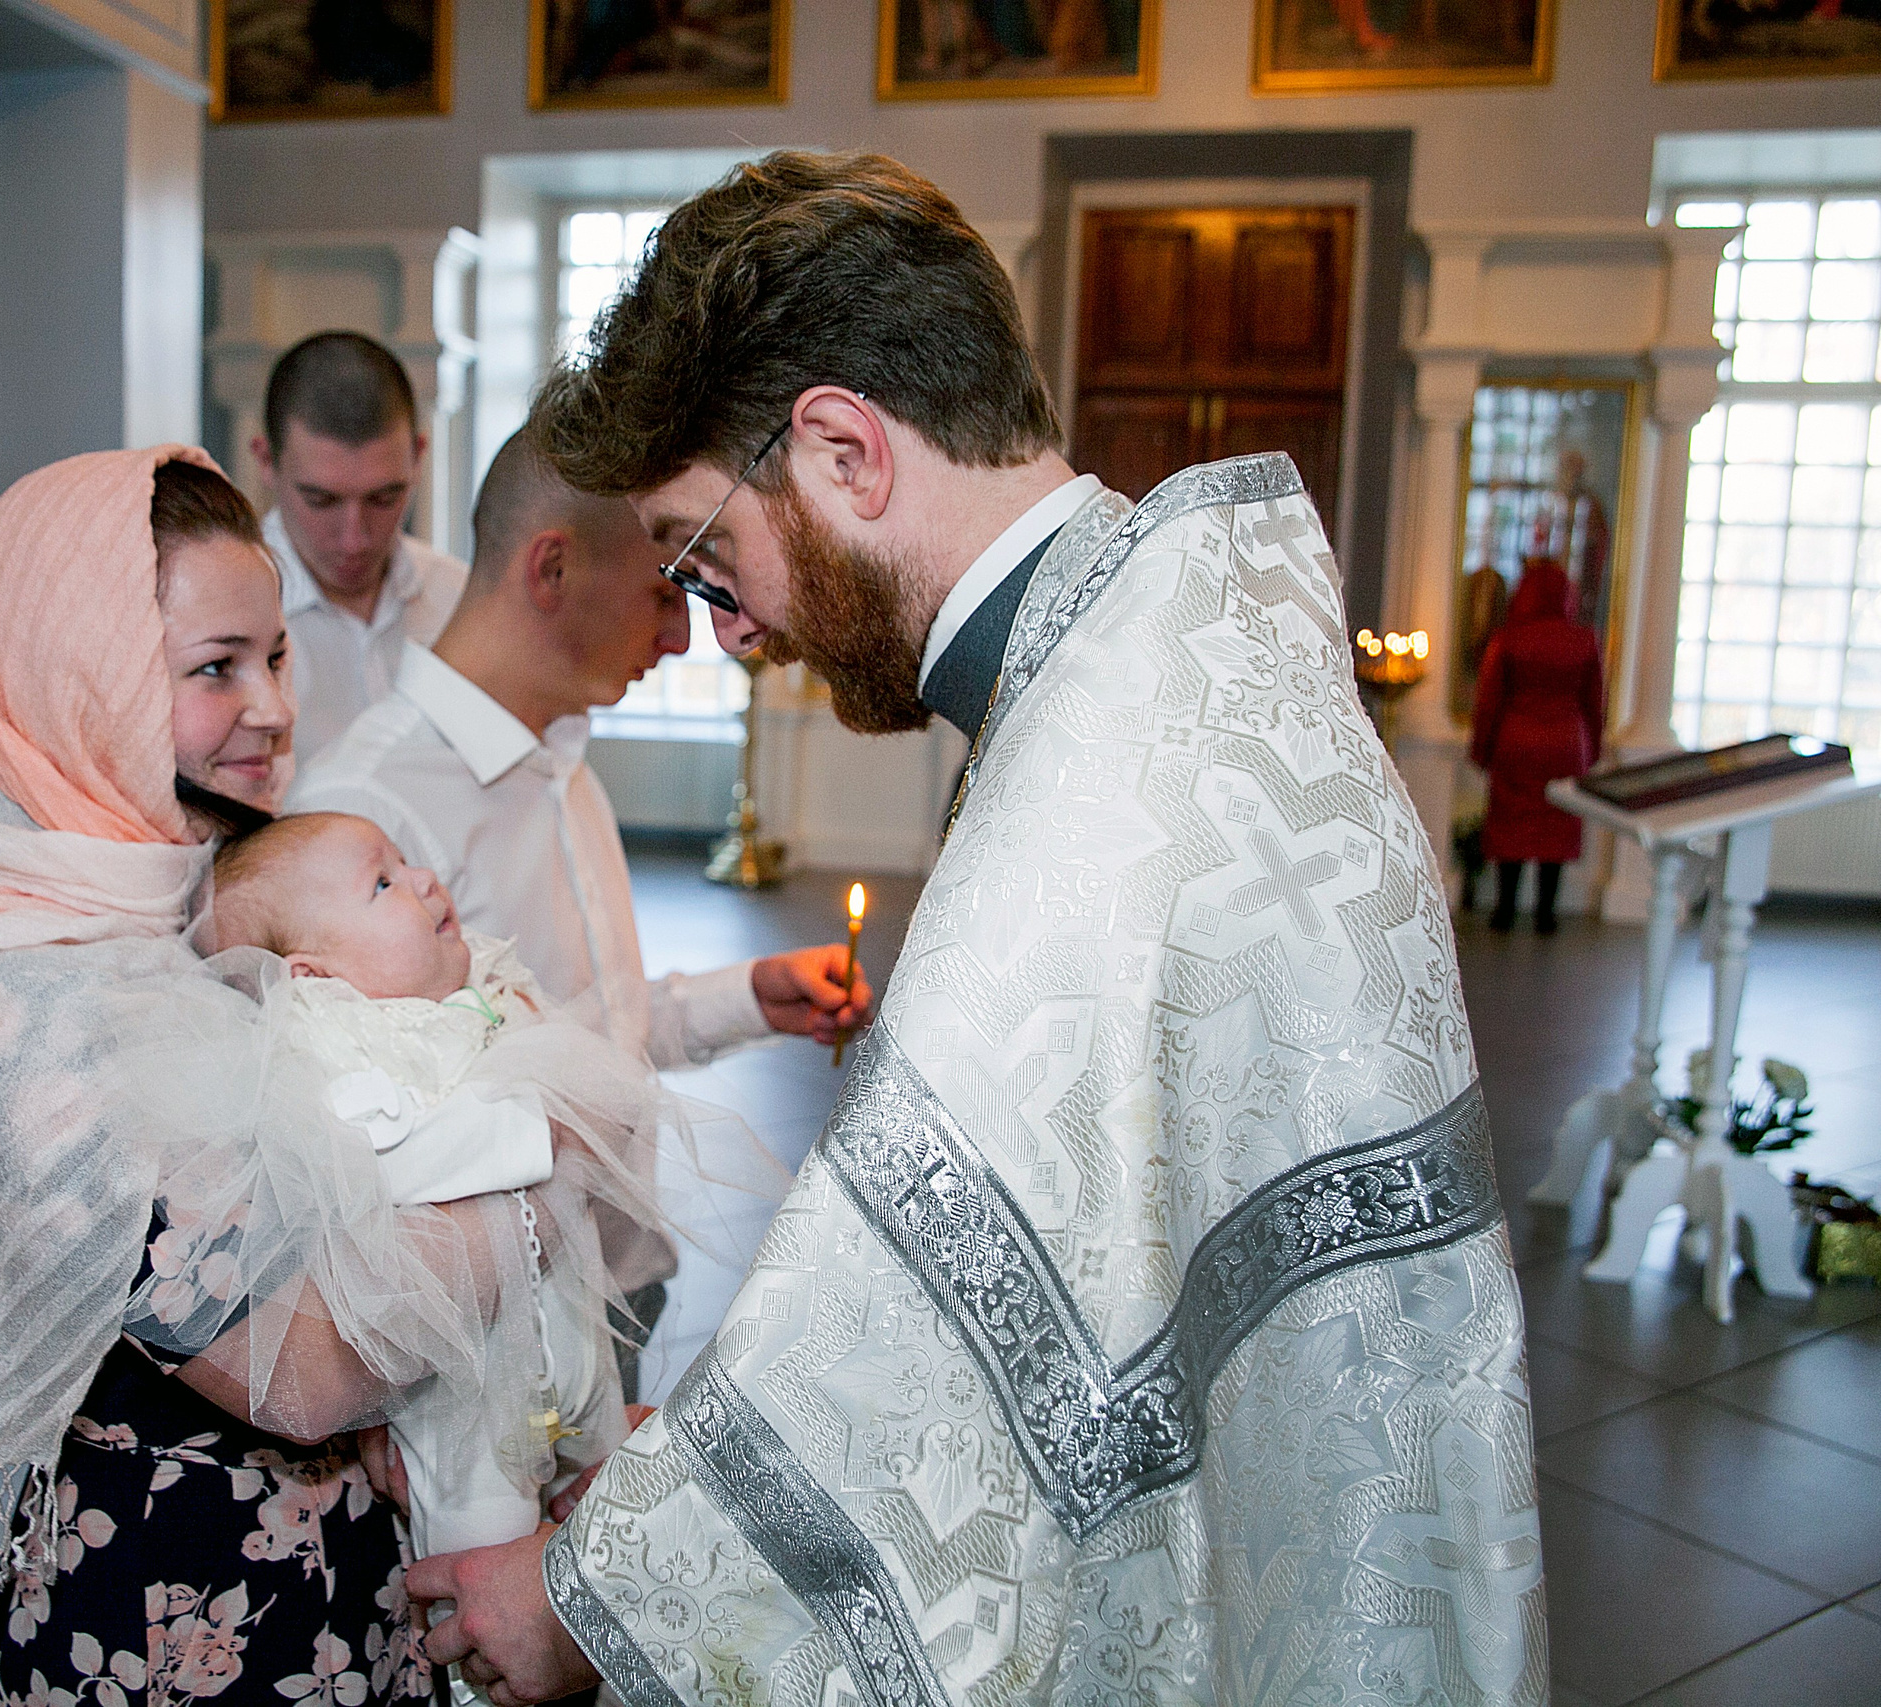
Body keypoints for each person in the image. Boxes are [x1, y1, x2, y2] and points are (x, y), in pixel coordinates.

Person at [405, 151, 1541, 1707]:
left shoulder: (1098, 788)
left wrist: (588, 1599)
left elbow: (912, 1348)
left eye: (708, 554)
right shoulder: (1163, 660)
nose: (729, 630)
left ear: (843, 450)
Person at [0, 448, 550, 1706]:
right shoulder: (29, 1001)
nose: (272, 706)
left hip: (322, 1574)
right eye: (216, 668)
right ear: (74, 692)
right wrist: (531, 1158)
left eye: (276, 656)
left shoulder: (178, 905)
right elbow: (306, 1370)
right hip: (180, 1610)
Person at [289, 427, 870, 1398]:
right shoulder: (367, 813)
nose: (683, 636)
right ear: (551, 568)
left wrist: (749, 996)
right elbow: (356, 1170)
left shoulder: (560, 761)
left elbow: (585, 1030)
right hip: (491, 1339)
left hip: (623, 1271)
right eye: (664, 591)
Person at [208, 809, 665, 1558]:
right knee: (480, 1565)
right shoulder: (328, 1067)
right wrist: (543, 1122)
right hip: (466, 1407)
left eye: (406, 860)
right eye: (382, 883)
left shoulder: (481, 982)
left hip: (576, 1342)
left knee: (617, 1531)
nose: (422, 879)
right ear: (313, 979)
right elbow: (399, 1164)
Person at [250, 330, 467, 756]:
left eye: (384, 498)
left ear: (419, 456)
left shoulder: (461, 602)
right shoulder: (216, 616)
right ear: (266, 461)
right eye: (321, 501)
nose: (355, 539)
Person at [1469, 557, 1604, 936]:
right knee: (1557, 826)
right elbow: (1595, 703)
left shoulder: (1508, 639)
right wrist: (1592, 749)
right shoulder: (1585, 641)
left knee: (1511, 824)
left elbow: (1489, 701)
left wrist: (1481, 749)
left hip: (1516, 743)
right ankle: (1546, 914)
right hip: (1567, 746)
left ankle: (1504, 910)